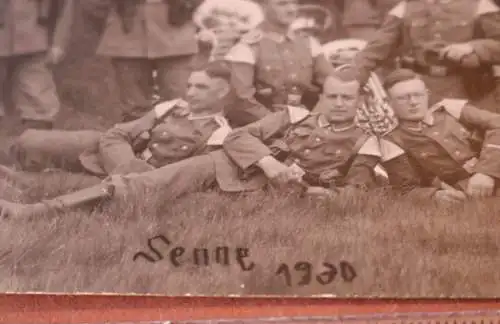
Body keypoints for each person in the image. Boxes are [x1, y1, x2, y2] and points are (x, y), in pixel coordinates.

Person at [0, 69, 383, 219]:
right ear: (323, 96)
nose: (337, 104)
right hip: (230, 167)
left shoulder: (367, 141)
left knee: (175, 203)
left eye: (346, 98)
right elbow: (240, 136)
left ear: (359, 100)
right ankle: (36, 211)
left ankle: (41, 201)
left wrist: (317, 192)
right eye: (331, 96)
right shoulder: (291, 117)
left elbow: (355, 190)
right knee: (145, 185)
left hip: (272, 195)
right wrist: (269, 163)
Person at [5, 62, 234, 181]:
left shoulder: (218, 134)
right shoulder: (171, 107)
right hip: (111, 151)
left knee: (42, 184)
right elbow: (117, 134)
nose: (191, 92)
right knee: (30, 140)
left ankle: (16, 173)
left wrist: (132, 178)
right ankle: (14, 158)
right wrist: (127, 168)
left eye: (201, 87)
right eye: (190, 85)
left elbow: (186, 176)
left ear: (222, 92)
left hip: (132, 180)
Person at [351, 0, 500, 112]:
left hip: (468, 91)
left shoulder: (480, 5)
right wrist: (353, 80)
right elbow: (376, 48)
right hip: (417, 90)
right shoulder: (406, 7)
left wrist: (473, 47)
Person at [378, 68, 500, 204]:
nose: (413, 102)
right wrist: (434, 196)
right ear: (389, 103)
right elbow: (405, 188)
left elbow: (497, 124)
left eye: (418, 95)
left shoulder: (451, 109)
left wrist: (486, 172)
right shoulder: (393, 140)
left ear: (427, 94)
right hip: (465, 193)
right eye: (402, 98)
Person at [85, 0, 203, 122]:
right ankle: (139, 137)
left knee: (176, 99)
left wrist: (188, 6)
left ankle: (178, 138)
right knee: (134, 104)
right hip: (127, 32)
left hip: (177, 30)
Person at [223, 0, 336, 127]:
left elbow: (334, 84)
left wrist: (314, 118)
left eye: (294, 3)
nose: (291, 9)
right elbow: (241, 100)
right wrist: (278, 124)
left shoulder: (308, 43)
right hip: (259, 128)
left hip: (305, 125)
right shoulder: (247, 46)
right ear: (264, 6)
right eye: (282, 4)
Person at [0, 0, 75, 129]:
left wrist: (59, 42)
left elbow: (65, 8)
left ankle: (37, 138)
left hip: (34, 40)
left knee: (38, 100)